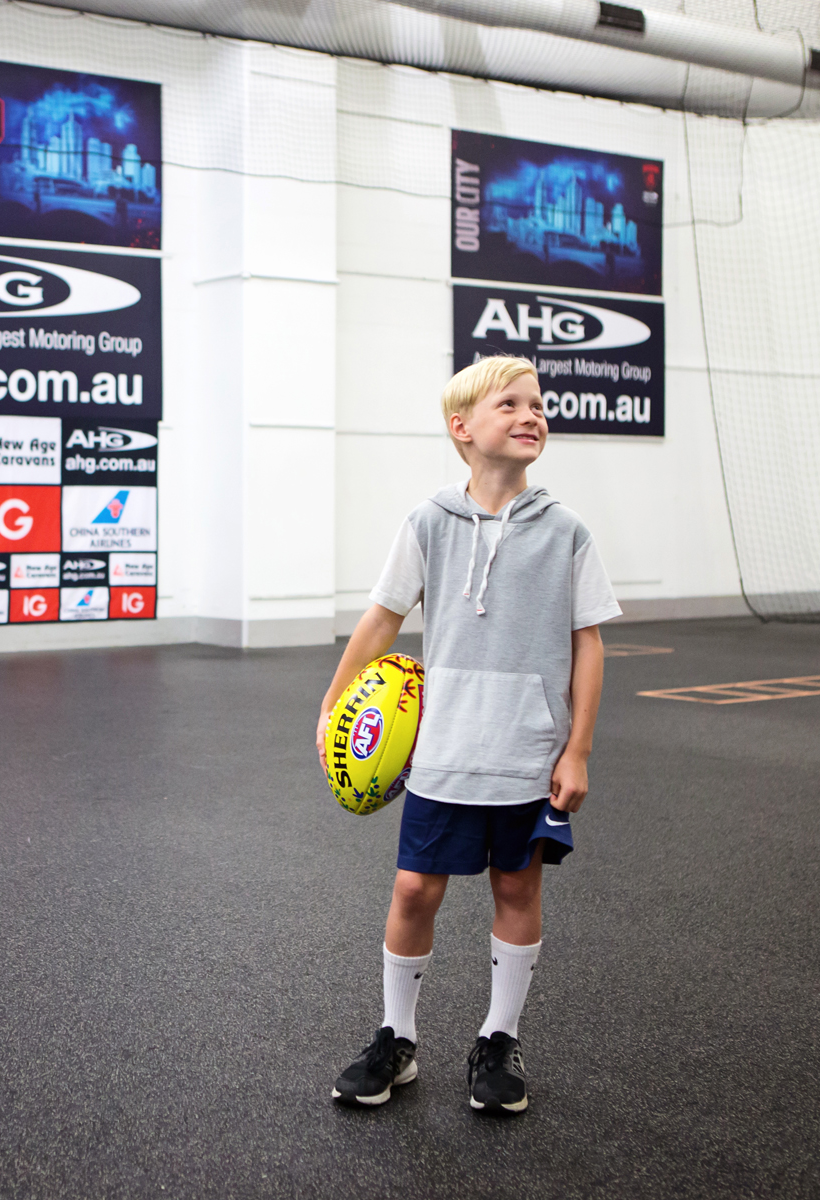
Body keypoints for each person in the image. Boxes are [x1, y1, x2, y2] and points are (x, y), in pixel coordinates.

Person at [317, 355, 618, 1115]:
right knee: (415, 889)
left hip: (526, 754)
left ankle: (498, 1038)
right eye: (510, 404)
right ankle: (397, 1037)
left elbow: (589, 643)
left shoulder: (567, 532)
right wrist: (331, 706)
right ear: (463, 429)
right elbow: (382, 620)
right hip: (445, 752)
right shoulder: (427, 523)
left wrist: (576, 747)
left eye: (537, 404)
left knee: (517, 887)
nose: (531, 415)